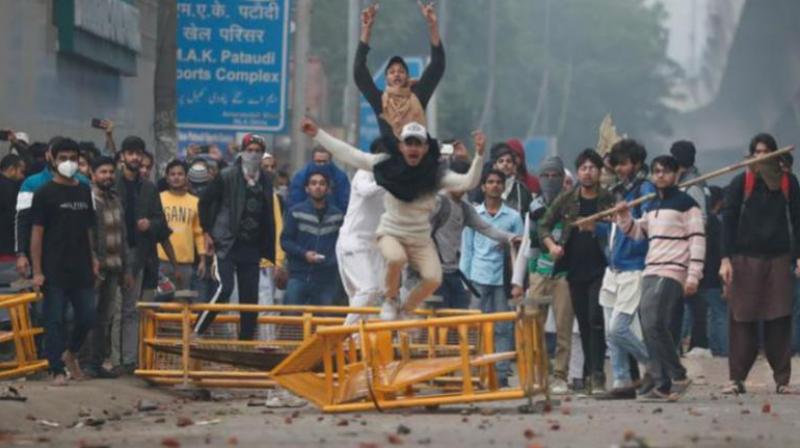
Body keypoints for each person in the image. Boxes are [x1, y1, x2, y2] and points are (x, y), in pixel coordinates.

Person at [302, 118, 485, 320]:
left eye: (418, 144)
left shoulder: (434, 174)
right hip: (389, 234)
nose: (413, 148)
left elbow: (468, 182)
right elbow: (350, 154)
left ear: (425, 148)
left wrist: (479, 156)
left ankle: (405, 309)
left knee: (433, 278)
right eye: (409, 143)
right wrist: (317, 133)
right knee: (393, 262)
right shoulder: (386, 166)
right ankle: (388, 301)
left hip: (419, 240)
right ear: (400, 146)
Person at [615, 155, 704, 401]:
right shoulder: (652, 205)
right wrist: (624, 216)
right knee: (648, 326)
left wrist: (693, 275)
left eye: (665, 171)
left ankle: (678, 374)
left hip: (673, 270)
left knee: (654, 322)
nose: (660, 175)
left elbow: (697, 239)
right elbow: (637, 233)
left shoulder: (687, 204)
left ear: (676, 174)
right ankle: (662, 384)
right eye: (656, 171)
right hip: (651, 269)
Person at [719, 133, 800, 395]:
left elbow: (798, 222)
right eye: (757, 152)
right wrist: (725, 258)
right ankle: (736, 379)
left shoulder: (789, 183)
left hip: (779, 259)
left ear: (776, 155)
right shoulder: (741, 182)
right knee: (741, 318)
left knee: (780, 318)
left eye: (767, 151)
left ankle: (782, 380)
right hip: (745, 259)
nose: (761, 156)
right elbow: (728, 223)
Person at [539, 149, 613, 394]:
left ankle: (598, 375)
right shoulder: (568, 198)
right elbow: (544, 225)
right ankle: (588, 375)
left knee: (595, 320)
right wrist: (552, 246)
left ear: (600, 172)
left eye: (593, 168)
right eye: (583, 168)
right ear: (578, 171)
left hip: (602, 268)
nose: (588, 172)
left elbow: (621, 228)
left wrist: (599, 227)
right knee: (582, 323)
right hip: (573, 269)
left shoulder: (609, 198)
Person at [29, 138, 98, 385]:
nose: (68, 163)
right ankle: (56, 369)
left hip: (81, 267)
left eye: (72, 158)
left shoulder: (83, 190)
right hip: (53, 268)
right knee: (54, 319)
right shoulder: (43, 194)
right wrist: (37, 270)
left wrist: (93, 259)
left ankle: (72, 352)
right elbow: (36, 233)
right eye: (62, 158)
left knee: (88, 316)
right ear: (52, 159)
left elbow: (89, 229)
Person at [196, 134, 278, 340]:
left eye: (258, 151)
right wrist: (207, 232)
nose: (253, 154)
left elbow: (268, 213)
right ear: (242, 152)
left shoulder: (266, 180)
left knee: (250, 299)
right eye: (249, 150)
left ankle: (246, 344)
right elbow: (204, 202)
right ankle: (197, 330)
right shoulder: (227, 175)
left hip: (252, 246)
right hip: (227, 243)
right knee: (225, 289)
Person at [511, 156, 574, 394]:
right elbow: (527, 245)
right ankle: (539, 372)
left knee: (563, 328)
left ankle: (560, 375)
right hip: (537, 271)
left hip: (563, 274)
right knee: (532, 326)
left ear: (562, 178)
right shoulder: (534, 208)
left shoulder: (570, 207)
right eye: (545, 175)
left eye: (555, 176)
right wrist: (518, 281)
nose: (550, 180)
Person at [597, 139, 655, 399]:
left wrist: (626, 215)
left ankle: (656, 365)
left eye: (623, 163)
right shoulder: (618, 191)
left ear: (638, 163)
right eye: (617, 164)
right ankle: (621, 381)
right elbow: (613, 231)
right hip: (613, 266)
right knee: (611, 333)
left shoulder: (646, 190)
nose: (618, 169)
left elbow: (644, 229)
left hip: (634, 266)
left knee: (618, 329)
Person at [113, 136, 172, 372]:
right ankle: (110, 358)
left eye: (138, 153)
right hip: (112, 252)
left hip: (137, 255)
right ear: (123, 156)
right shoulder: (111, 182)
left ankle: (128, 360)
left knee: (129, 310)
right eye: (130, 153)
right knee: (111, 312)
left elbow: (162, 223)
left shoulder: (149, 187)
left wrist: (151, 224)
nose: (135, 157)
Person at [460, 169, 523, 386]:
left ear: (504, 186)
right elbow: (466, 249)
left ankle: (501, 374)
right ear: (483, 186)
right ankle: (476, 372)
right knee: (474, 327)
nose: (495, 185)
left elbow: (520, 251)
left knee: (503, 328)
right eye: (490, 182)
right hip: (477, 277)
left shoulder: (513, 217)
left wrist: (518, 281)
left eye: (499, 182)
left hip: (503, 280)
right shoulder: (473, 214)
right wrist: (465, 281)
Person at [433, 160, 518, 310]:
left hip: (453, 272)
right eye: (457, 181)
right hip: (433, 273)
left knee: (460, 320)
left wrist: (511, 237)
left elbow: (487, 229)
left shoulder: (465, 208)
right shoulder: (436, 203)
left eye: (465, 181)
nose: (462, 186)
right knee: (436, 321)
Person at [355, 1, 444, 136]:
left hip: (418, 156)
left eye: (401, 71)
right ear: (386, 79)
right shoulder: (380, 101)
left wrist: (432, 25)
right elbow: (359, 71)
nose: (397, 74)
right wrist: (367, 29)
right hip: (389, 156)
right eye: (392, 72)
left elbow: (438, 64)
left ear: (407, 77)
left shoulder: (418, 96)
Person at [85, 156, 130, 378]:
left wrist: (126, 270)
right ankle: (81, 362)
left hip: (114, 269)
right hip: (94, 270)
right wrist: (92, 259)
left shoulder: (115, 199)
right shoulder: (88, 200)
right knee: (87, 316)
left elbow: (123, 236)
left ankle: (96, 363)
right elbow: (87, 236)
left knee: (105, 318)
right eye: (103, 172)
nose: (108, 176)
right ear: (93, 174)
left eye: (111, 172)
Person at [337, 139, 387, 326]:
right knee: (368, 290)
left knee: (376, 295)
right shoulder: (364, 173)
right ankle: (341, 336)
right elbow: (366, 192)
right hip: (353, 243)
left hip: (375, 245)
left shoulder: (394, 182)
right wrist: (389, 180)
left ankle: (357, 346)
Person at [281, 169, 344, 306]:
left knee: (323, 322)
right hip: (298, 276)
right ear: (307, 188)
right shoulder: (296, 212)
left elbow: (342, 244)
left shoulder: (337, 216)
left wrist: (331, 260)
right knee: (291, 320)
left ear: (328, 189)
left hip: (326, 278)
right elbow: (285, 241)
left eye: (322, 183)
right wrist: (304, 254)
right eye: (313, 183)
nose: (317, 186)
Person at [158, 160, 206, 291]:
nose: (176, 177)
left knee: (182, 304)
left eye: (180, 174)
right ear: (167, 178)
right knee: (159, 305)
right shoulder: (158, 199)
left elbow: (199, 233)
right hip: (161, 261)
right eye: (172, 174)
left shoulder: (195, 202)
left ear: (186, 177)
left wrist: (202, 260)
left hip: (185, 262)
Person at [700, 185, 727, 357]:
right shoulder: (716, 223)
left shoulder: (703, 221)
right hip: (714, 275)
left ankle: (715, 348)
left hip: (701, 275)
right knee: (721, 313)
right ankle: (724, 350)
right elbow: (720, 251)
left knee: (711, 313)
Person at [288, 147, 350, 212]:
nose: (321, 164)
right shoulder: (300, 177)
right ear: (312, 160)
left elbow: (344, 202)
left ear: (330, 161)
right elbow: (295, 201)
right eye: (318, 161)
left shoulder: (340, 178)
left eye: (324, 161)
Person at [492, 145, 533, 213]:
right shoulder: (487, 187)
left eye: (508, 161)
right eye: (501, 161)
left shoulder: (522, 190)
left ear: (514, 167)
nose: (505, 164)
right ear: (495, 166)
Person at [0, 154, 25, 259]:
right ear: (11, 170)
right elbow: (13, 216)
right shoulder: (9, 187)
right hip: (6, 244)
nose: (23, 176)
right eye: (21, 171)